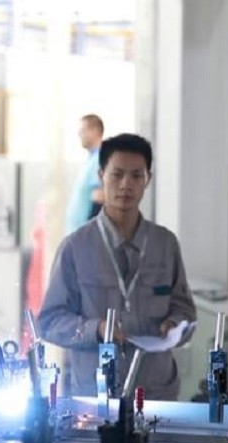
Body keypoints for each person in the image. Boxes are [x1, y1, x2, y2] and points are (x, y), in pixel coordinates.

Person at [38, 133, 196, 400]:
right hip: (96, 393)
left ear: (148, 179)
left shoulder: (164, 244)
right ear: (101, 175)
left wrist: (174, 324)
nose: (126, 185)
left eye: (136, 176)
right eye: (117, 174)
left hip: (156, 393)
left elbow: (185, 309)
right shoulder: (75, 248)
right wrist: (95, 330)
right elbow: (50, 322)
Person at [64, 114, 105, 234]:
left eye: (83, 130)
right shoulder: (90, 160)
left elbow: (99, 198)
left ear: (95, 131)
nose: (79, 135)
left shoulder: (99, 159)